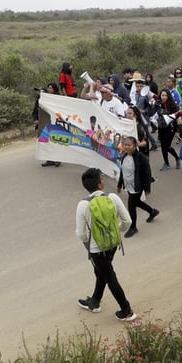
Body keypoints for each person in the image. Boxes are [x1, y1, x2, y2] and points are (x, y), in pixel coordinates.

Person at [75, 167, 137, 321]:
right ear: (101, 184)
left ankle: (127, 310)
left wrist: (88, 244)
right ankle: (95, 301)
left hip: (97, 249)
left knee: (109, 276)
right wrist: (116, 231)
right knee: (102, 272)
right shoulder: (113, 198)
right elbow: (127, 221)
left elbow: (81, 234)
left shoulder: (83, 205)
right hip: (113, 244)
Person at [116, 136, 158, 238]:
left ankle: (133, 227)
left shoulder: (141, 158)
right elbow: (123, 171)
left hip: (137, 186)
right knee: (136, 203)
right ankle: (152, 211)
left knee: (131, 206)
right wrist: (119, 184)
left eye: (129, 145)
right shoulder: (125, 156)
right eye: (125, 145)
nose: (126, 147)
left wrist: (147, 189)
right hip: (128, 186)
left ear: (135, 146)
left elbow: (147, 173)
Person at [154, 89, 181, 170]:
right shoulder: (158, 104)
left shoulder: (172, 106)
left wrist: (177, 131)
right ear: (160, 96)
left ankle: (177, 158)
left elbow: (177, 118)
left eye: (166, 95)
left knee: (167, 146)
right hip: (161, 127)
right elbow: (152, 113)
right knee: (163, 146)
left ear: (168, 96)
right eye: (162, 95)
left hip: (171, 128)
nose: (164, 97)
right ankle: (166, 163)